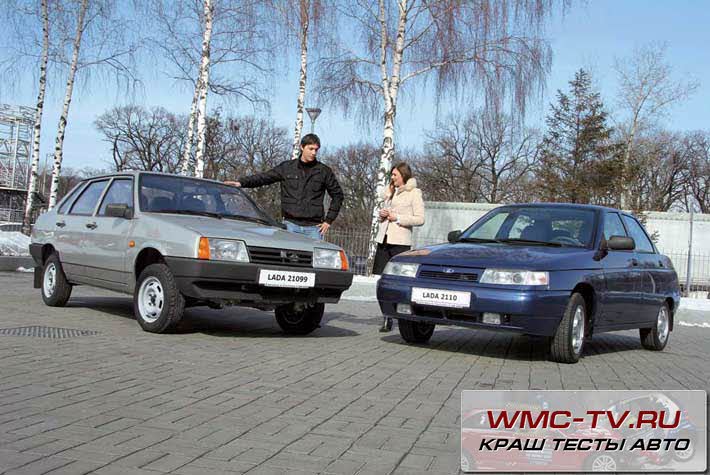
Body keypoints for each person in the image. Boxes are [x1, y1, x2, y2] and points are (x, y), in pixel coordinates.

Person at [225, 134, 343, 239]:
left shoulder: (324, 171)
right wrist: (241, 183)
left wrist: (329, 220)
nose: (314, 153)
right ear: (302, 147)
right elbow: (265, 177)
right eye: (311, 149)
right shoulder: (287, 168)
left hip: (314, 228)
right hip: (290, 225)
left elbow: (338, 195)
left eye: (316, 150)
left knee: (313, 257)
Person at [372, 162, 425, 332]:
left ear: (403, 175)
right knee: (382, 280)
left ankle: (402, 313)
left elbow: (420, 219)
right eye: (392, 174)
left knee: (398, 281)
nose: (392, 177)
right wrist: (382, 215)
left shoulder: (414, 193)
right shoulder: (390, 192)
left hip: (400, 243)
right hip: (384, 240)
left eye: (395, 174)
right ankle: (386, 316)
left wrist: (398, 218)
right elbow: (386, 214)